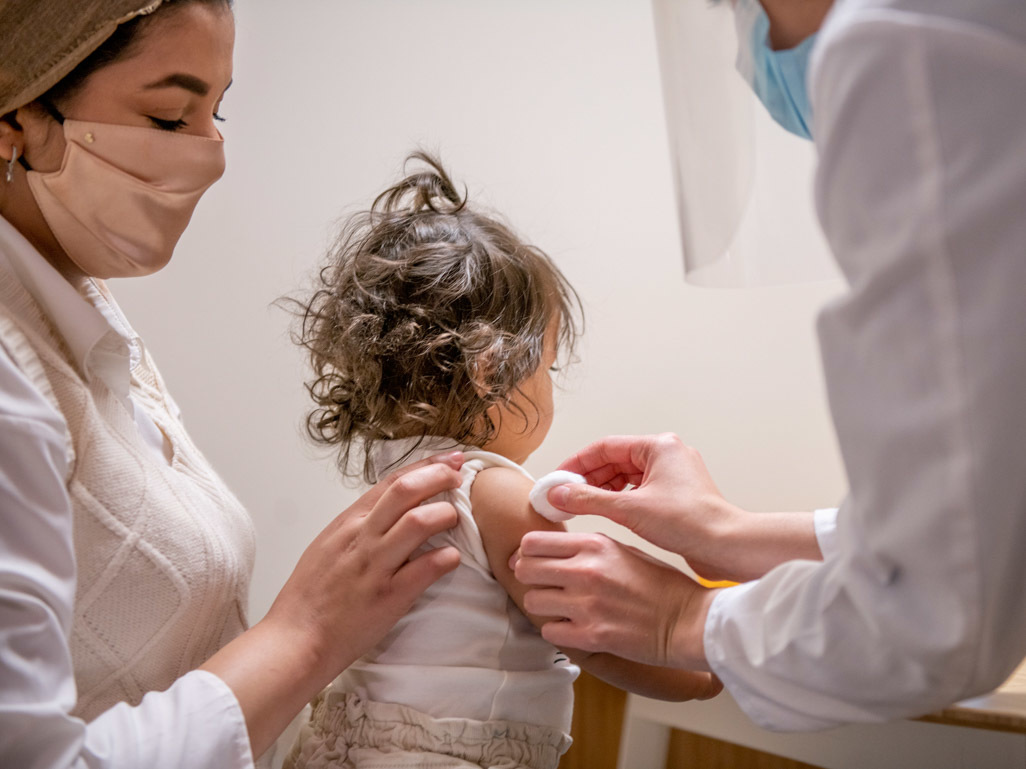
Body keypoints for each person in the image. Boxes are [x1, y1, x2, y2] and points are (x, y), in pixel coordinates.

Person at [512, 0, 1026, 732]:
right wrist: (725, 532)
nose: (754, 39)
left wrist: (681, 617)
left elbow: (940, 616)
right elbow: (990, 514)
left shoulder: (911, 48)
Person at [0, 3, 467, 767]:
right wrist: (304, 636)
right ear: (18, 114)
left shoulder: (80, 306)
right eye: (171, 116)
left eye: (217, 111)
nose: (212, 154)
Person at [282, 154, 721, 769]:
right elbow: (588, 633)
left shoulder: (393, 485)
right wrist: (704, 675)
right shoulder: (495, 491)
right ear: (492, 371)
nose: (549, 389)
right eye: (548, 369)